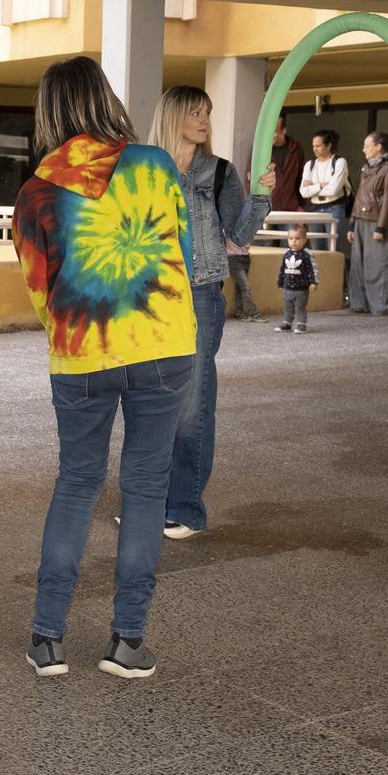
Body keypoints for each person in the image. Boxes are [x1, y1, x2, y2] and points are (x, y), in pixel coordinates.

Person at [14, 56, 198, 680]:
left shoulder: (36, 190)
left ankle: (47, 639)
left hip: (82, 354)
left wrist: (70, 331)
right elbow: (185, 251)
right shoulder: (154, 165)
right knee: (147, 489)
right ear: (104, 97)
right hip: (163, 345)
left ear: (49, 111)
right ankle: (127, 641)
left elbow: (39, 290)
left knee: (76, 485)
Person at [152, 85, 273, 540]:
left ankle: (185, 508)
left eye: (207, 112)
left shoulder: (219, 172)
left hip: (201, 294)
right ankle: (151, 502)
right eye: (196, 112)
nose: (204, 120)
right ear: (174, 116)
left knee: (191, 402)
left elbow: (238, 237)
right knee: (151, 401)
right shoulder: (147, 168)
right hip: (152, 297)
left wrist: (261, 197)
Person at [347, 130, 388, 315]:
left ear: (378, 147)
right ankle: (360, 303)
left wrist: (381, 226)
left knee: (381, 264)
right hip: (360, 219)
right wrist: (351, 224)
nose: (363, 149)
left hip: (376, 221)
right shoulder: (367, 168)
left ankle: (383, 306)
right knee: (359, 264)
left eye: (367, 145)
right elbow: (360, 196)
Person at [298, 129, 351, 249]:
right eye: (313, 146)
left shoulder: (339, 162)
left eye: (318, 146)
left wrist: (312, 187)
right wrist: (321, 185)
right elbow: (303, 192)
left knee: (334, 249)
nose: (314, 149)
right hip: (315, 208)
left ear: (328, 145)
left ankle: (337, 269)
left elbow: (334, 190)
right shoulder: (309, 165)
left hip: (334, 208)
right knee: (316, 250)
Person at [275, 224, 318, 333]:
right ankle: (287, 323)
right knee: (288, 306)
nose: (294, 241)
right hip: (287, 287)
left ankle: (301, 324)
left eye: (297, 238)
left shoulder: (307, 255)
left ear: (304, 240)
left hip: (301, 288)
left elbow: (313, 269)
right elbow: (282, 269)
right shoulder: (287, 254)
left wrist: (314, 282)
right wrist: (280, 282)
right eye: (291, 238)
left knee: (300, 307)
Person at [267, 116, 306, 214]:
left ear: (283, 131)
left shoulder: (296, 148)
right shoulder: (263, 149)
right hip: (267, 207)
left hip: (290, 207)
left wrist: (301, 205)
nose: (272, 133)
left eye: (275, 130)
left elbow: (301, 177)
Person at [224, 238, 265, 323]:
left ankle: (239, 312)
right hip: (233, 258)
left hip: (245, 257)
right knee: (245, 286)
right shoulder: (228, 227)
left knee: (240, 287)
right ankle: (254, 313)